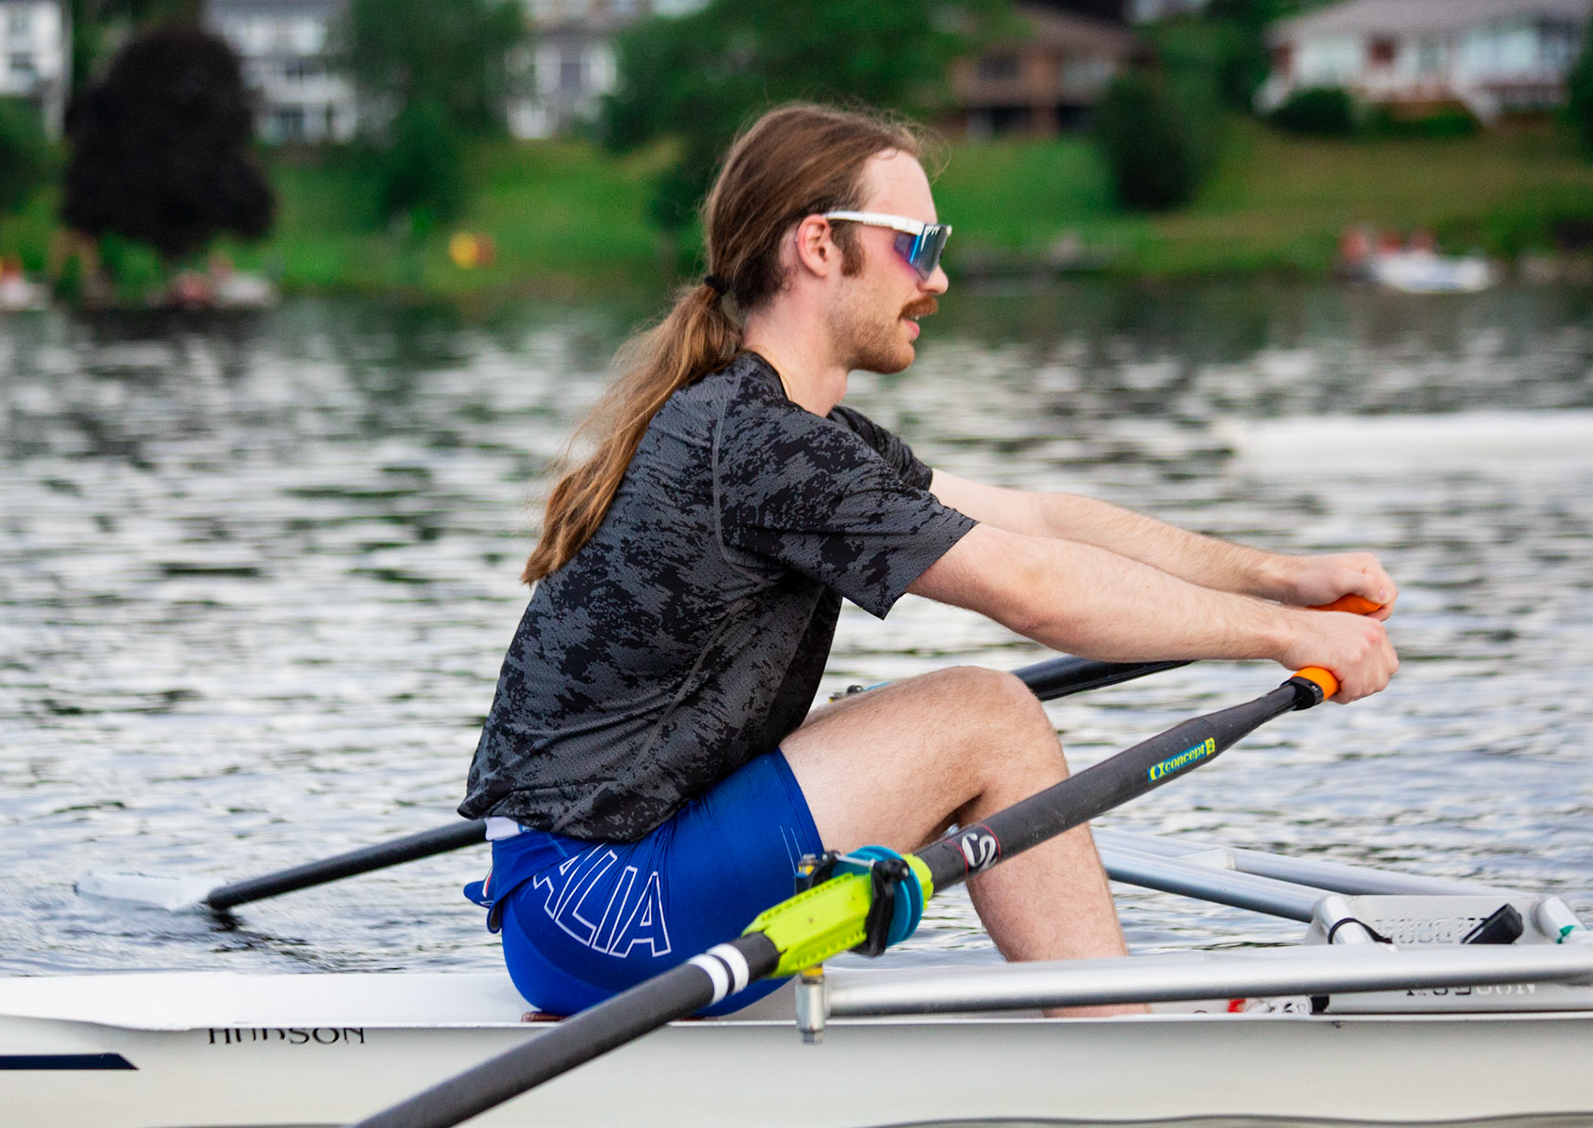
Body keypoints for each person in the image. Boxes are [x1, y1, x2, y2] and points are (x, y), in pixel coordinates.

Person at [462, 104, 1398, 1017]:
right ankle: (1114, 1049)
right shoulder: (763, 445)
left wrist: (1279, 578)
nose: (938, 278)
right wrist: (1286, 638)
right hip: (594, 906)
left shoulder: (788, 429)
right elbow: (1033, 591)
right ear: (820, 245)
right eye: (918, 244)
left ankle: (1099, 1026)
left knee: (912, 711)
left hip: (588, 885)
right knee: (991, 717)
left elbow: (1038, 520)